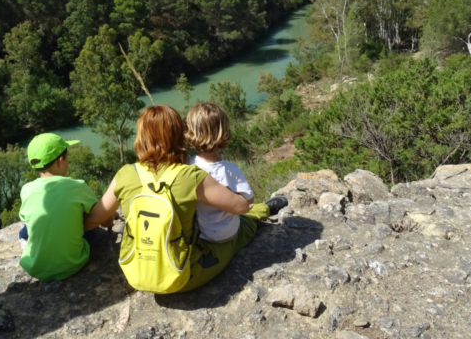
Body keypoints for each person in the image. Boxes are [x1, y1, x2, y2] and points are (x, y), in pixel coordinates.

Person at [84, 105, 288, 292]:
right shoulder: (190, 175)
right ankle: (265, 210)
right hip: (183, 274)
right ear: (179, 135)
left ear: (141, 137)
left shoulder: (125, 174)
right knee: (244, 224)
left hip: (136, 272)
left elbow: (94, 219)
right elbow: (240, 206)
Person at [18, 133, 99, 282]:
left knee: (27, 228)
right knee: (86, 220)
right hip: (73, 264)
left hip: (35, 268)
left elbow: (25, 217)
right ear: (61, 160)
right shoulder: (77, 186)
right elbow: (99, 214)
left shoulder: (26, 189)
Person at [185, 102, 269, 244]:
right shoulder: (230, 169)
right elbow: (248, 201)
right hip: (228, 234)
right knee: (251, 217)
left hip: (201, 236)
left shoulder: (187, 166)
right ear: (223, 131)